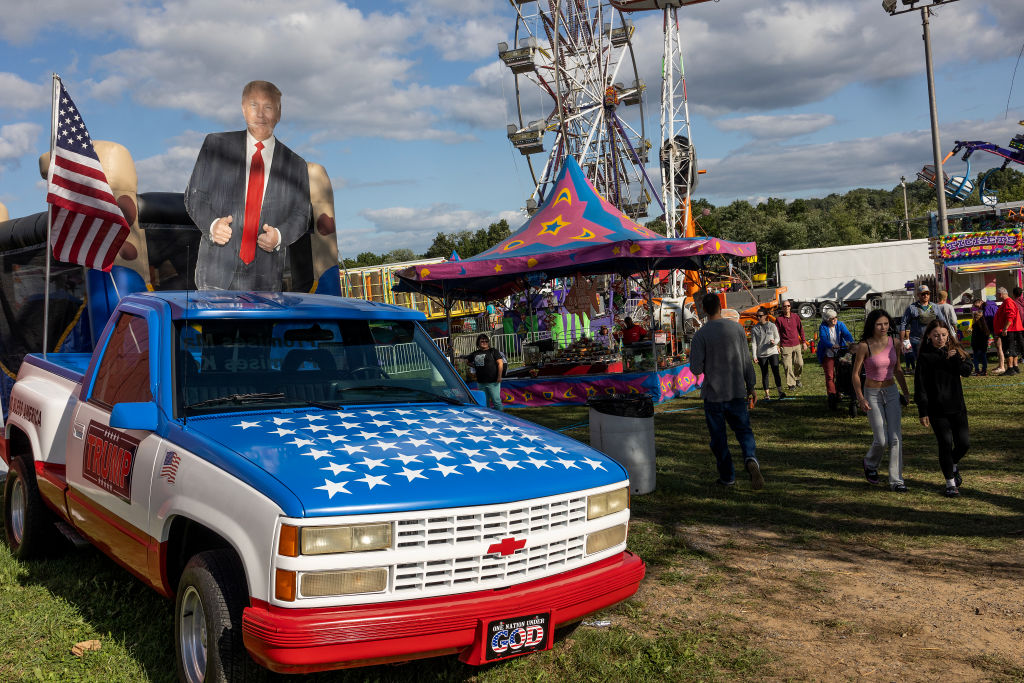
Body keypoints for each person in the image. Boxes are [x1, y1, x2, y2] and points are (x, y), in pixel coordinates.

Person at [185, 80, 311, 291]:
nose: (260, 114)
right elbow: (194, 197)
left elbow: (302, 215)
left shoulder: (296, 165)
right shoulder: (215, 146)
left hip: (266, 282)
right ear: (243, 109)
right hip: (215, 280)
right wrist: (212, 225)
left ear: (278, 114)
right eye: (254, 105)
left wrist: (279, 236)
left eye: (268, 107)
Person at [689, 292, 763, 490]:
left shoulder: (701, 335)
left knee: (719, 438)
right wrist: (752, 385)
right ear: (721, 306)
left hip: (714, 395)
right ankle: (750, 458)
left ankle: (727, 476)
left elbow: (696, 369)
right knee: (744, 431)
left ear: (704, 310)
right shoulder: (737, 329)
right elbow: (746, 360)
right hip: (737, 391)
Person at [851, 309, 911, 492]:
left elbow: (898, 370)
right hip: (872, 393)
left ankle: (896, 480)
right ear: (872, 325)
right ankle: (870, 463)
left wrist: (906, 392)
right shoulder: (864, 346)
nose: (883, 327)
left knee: (895, 438)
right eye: (879, 324)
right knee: (881, 439)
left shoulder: (895, 342)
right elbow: (855, 374)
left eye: (886, 324)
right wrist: (860, 398)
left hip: (891, 391)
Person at [914, 319, 973, 497]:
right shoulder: (925, 357)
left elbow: (967, 370)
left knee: (964, 443)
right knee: (945, 444)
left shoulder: (955, 352)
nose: (940, 338)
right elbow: (920, 385)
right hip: (937, 410)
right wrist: (922, 411)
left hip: (957, 407)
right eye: (936, 335)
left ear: (949, 336)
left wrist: (955, 358)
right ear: (929, 337)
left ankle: (952, 465)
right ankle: (950, 484)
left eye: (944, 335)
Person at [900, 284, 947, 370]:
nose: (925, 296)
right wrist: (902, 341)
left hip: (933, 339)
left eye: (927, 293)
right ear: (918, 295)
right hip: (916, 340)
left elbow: (942, 322)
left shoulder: (935, 306)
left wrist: (945, 336)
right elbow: (903, 324)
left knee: (934, 360)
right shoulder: (911, 308)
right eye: (923, 294)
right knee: (921, 361)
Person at [816, 309, 854, 410]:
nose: (835, 320)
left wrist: (851, 344)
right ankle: (832, 395)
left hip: (840, 353)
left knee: (841, 373)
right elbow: (823, 339)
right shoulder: (823, 327)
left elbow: (847, 335)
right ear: (827, 319)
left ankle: (839, 392)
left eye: (836, 317)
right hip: (827, 354)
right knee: (830, 376)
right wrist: (831, 345)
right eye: (832, 318)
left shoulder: (840, 325)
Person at [774, 299, 808, 391]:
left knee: (800, 363)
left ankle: (797, 378)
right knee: (787, 366)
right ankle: (791, 384)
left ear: (790, 307)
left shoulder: (795, 317)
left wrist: (804, 342)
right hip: (785, 345)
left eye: (788, 306)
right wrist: (777, 345)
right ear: (782, 307)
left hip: (796, 344)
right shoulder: (779, 319)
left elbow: (801, 329)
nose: (787, 307)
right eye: (785, 306)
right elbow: (776, 333)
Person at [467, 334, 505, 411]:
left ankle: (503, 419)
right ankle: (488, 419)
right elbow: (468, 362)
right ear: (478, 342)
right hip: (481, 382)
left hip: (493, 381)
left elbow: (500, 363)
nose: (484, 342)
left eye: (486, 341)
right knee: (484, 402)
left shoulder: (493, 351)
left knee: (496, 401)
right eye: (482, 341)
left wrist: (499, 377)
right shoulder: (475, 353)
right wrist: (476, 366)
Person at [992, 287, 1023, 375]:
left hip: (1009, 330)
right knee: (1012, 349)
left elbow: (1010, 316)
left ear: (1001, 294)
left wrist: (1005, 328)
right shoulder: (1007, 302)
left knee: (1008, 349)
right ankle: (1015, 367)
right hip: (1010, 329)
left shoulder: (1008, 302)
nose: (997, 296)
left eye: (997, 295)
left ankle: (1010, 368)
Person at [969, 306, 990, 376]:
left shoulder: (975, 326)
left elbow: (974, 337)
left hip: (976, 345)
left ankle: (977, 370)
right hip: (983, 345)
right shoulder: (985, 326)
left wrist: (972, 344)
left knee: (976, 358)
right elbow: (987, 336)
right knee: (983, 357)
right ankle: (984, 370)